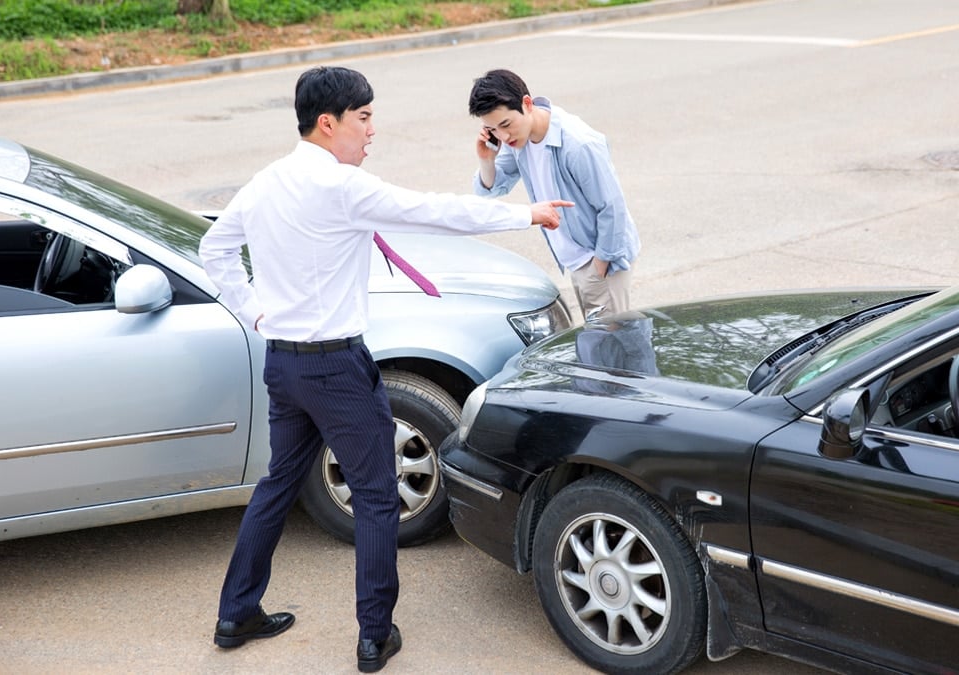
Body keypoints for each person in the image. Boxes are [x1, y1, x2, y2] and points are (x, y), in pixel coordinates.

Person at [199, 65, 570, 673]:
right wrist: (528, 215)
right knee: (376, 495)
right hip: (336, 367)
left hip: (285, 363)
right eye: (364, 118)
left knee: (277, 484)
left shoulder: (267, 181)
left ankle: (235, 613)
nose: (372, 131)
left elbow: (214, 248)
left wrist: (256, 314)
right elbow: (433, 212)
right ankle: (375, 634)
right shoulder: (341, 188)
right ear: (329, 124)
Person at [468, 68, 641, 321]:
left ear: (526, 104)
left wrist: (600, 266)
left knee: (613, 351)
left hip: (600, 259)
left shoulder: (578, 144)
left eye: (505, 124)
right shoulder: (518, 139)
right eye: (492, 129)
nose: (503, 136)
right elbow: (491, 189)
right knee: (600, 348)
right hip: (579, 260)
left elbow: (612, 207)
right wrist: (486, 160)